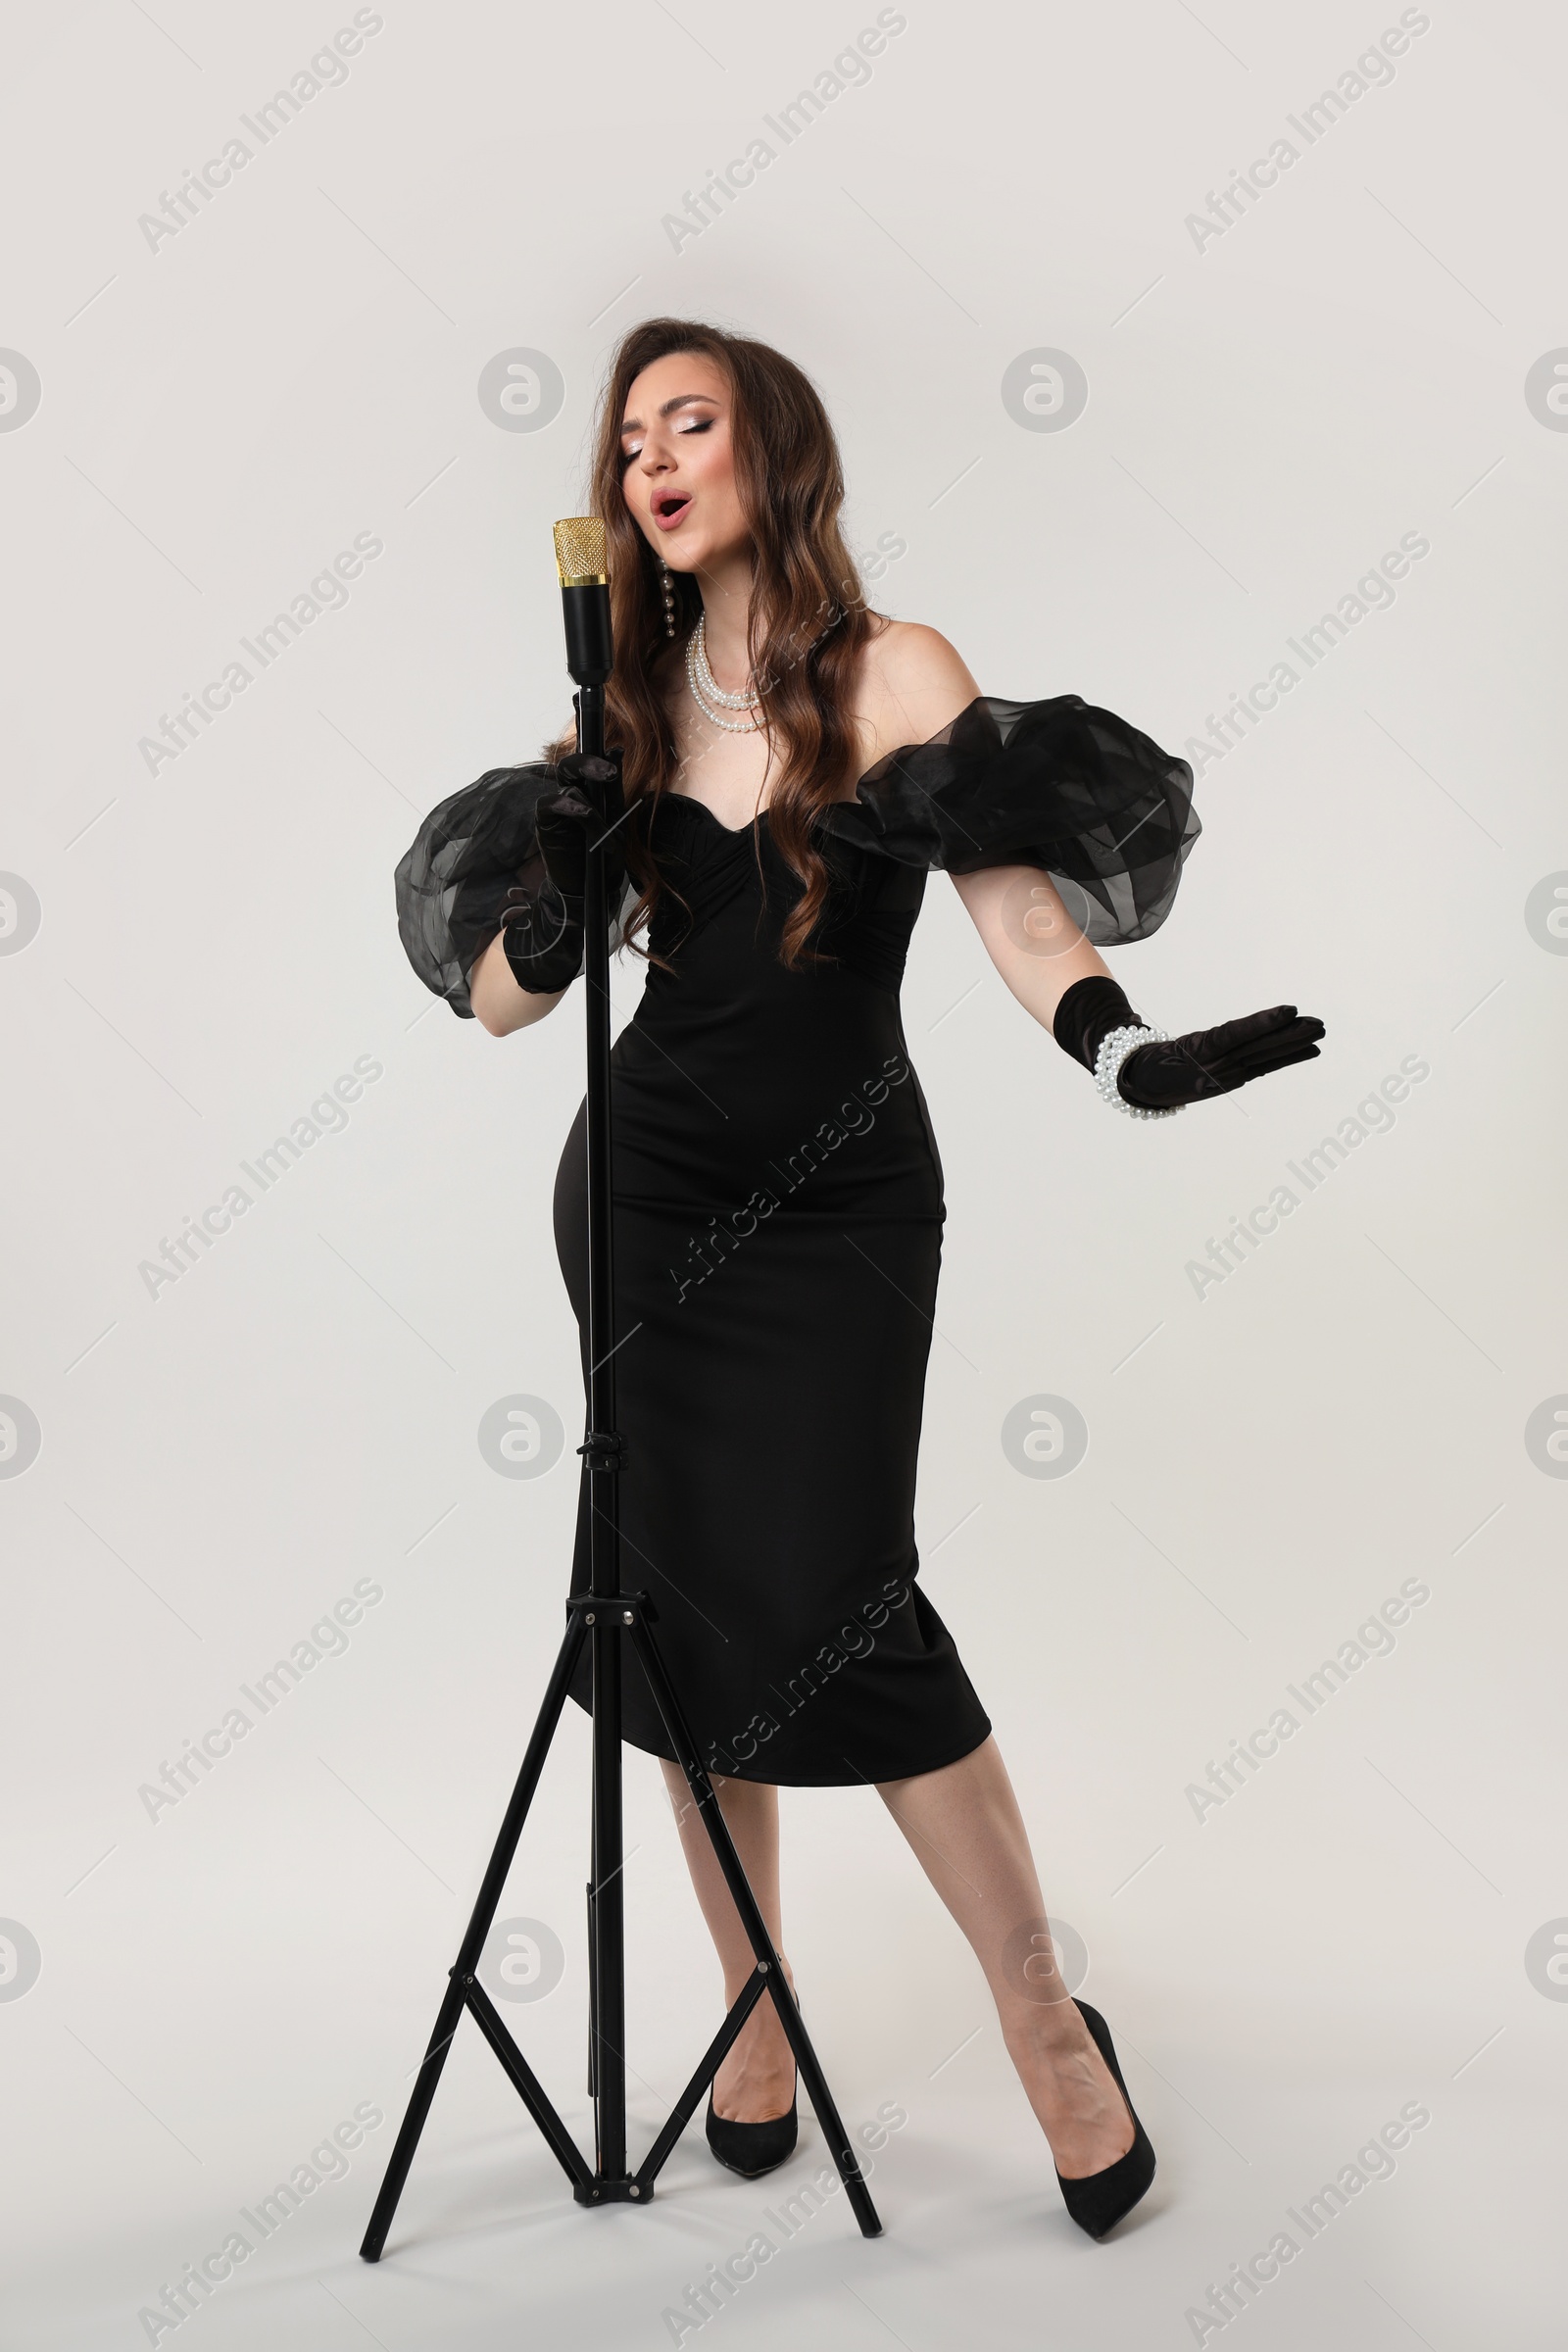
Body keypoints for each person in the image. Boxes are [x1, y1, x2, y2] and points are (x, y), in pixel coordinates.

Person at [395, 317, 1323, 2238]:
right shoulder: (622, 716)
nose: (651, 456)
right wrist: (559, 877)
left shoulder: (892, 674)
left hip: (837, 1208)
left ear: (769, 451)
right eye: (627, 434)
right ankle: (751, 2013)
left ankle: (1041, 2024)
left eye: (691, 421)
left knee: (843, 1598)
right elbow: (500, 1003)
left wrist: (1129, 1056)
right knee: (671, 1608)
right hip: (643, 1197)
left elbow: (1017, 914)